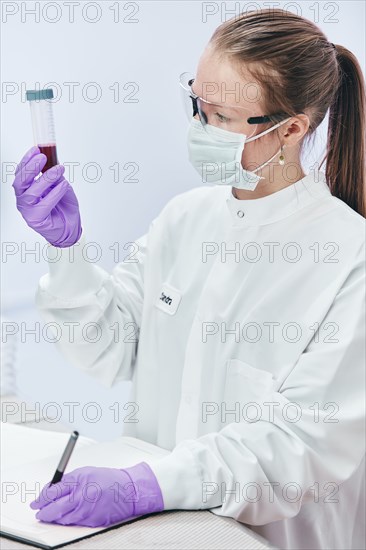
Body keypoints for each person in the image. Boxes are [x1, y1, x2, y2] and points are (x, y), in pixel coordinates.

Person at [12, 9, 365, 550]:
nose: (200, 127)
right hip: (156, 534)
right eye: (196, 103)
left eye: (220, 115)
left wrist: (148, 486)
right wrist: (67, 253)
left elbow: (302, 447)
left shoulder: (349, 257)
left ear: (291, 129)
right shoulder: (186, 218)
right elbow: (107, 349)